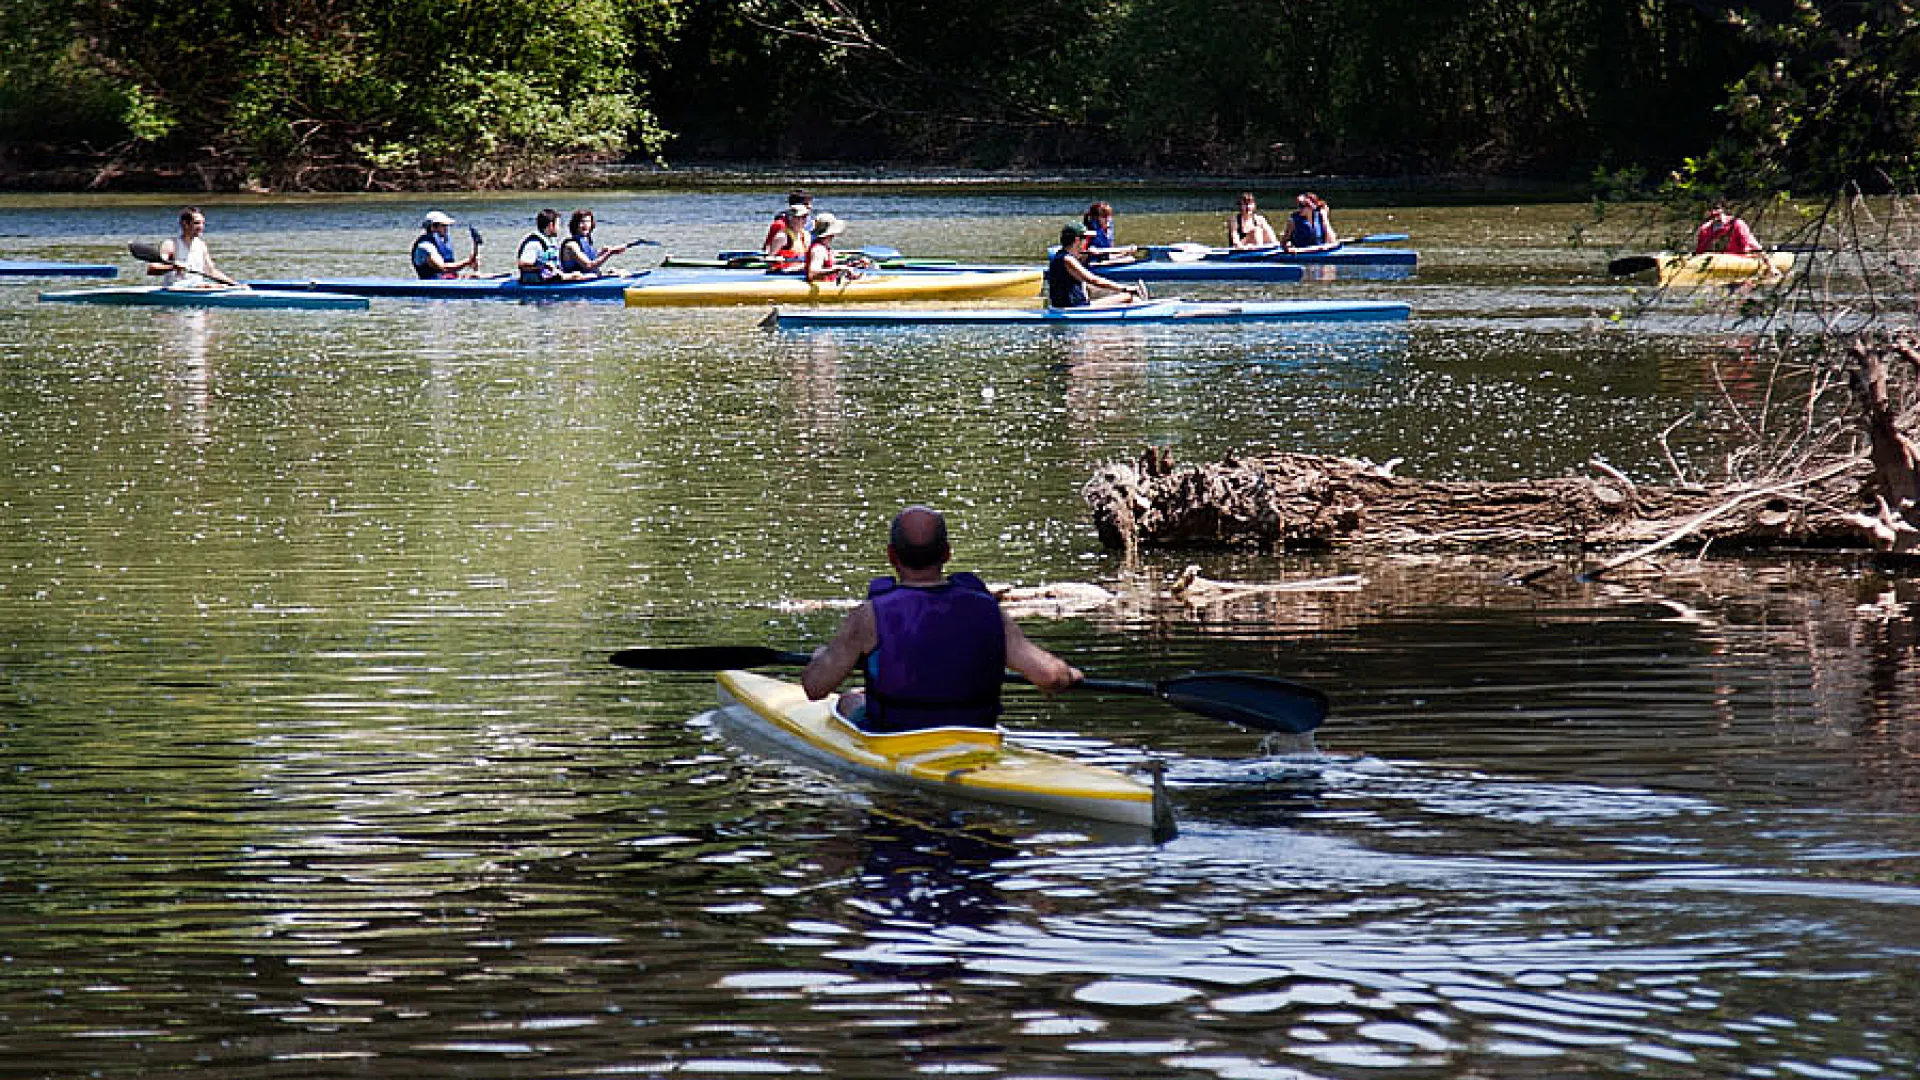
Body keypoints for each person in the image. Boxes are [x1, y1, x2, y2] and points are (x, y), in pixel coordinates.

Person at [802, 506, 1083, 734]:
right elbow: (1050, 676)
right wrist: (1068, 676)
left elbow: (815, 688)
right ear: (947, 553)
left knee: (850, 700)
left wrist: (821, 657)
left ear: (891, 556)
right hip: (975, 733)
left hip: (896, 737)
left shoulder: (869, 616)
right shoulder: (988, 611)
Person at [1047, 221, 1148, 308]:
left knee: (1111, 291)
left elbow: (1087, 283)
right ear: (1077, 240)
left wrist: (1117, 288)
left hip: (1069, 305)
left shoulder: (1062, 256)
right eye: (1085, 239)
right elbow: (1093, 280)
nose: (1086, 242)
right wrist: (1125, 288)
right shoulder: (1067, 259)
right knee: (1127, 296)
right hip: (1075, 308)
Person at [146, 206, 235, 287]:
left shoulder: (201, 245)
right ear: (185, 224)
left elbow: (211, 272)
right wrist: (173, 267)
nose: (201, 227)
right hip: (175, 288)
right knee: (208, 286)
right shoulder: (170, 244)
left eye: (203, 223)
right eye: (197, 223)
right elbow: (152, 269)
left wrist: (234, 284)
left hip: (197, 287)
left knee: (216, 286)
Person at [517, 208, 587, 285]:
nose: (559, 228)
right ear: (551, 225)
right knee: (576, 276)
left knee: (580, 274)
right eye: (558, 225)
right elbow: (523, 264)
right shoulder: (534, 244)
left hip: (550, 277)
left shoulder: (550, 240)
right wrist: (543, 265)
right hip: (537, 281)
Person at [803, 212, 870, 284]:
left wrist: (853, 264)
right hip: (824, 288)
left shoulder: (824, 247)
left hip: (828, 284)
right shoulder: (818, 250)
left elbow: (828, 267)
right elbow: (812, 273)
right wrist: (838, 269)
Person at [559, 209, 630, 276]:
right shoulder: (571, 245)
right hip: (578, 281)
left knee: (622, 272)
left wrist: (602, 253)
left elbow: (590, 258)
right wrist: (610, 253)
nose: (585, 225)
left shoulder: (586, 240)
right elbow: (588, 266)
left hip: (591, 277)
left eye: (588, 222)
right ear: (575, 225)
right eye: (582, 222)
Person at [411, 210, 480, 279]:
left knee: (487, 276)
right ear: (433, 227)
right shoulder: (425, 246)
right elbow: (443, 267)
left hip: (449, 281)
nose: (446, 228)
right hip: (433, 285)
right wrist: (467, 262)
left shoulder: (440, 242)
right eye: (443, 225)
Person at [1694, 202, 1763, 255]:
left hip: (1738, 259)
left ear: (1723, 211)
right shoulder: (1705, 229)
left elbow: (1751, 243)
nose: (1716, 218)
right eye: (1713, 215)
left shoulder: (1737, 224)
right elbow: (1700, 250)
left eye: (1717, 213)